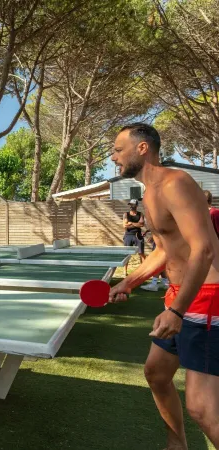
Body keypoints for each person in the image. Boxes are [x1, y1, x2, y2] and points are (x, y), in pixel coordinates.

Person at [109, 122, 219, 449]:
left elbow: (204, 249)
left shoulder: (176, 184)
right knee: (156, 374)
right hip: (180, 296)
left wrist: (176, 311)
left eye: (118, 149)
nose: (113, 156)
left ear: (142, 148)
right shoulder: (149, 194)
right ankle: (177, 444)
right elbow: (164, 250)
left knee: (202, 408)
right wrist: (129, 281)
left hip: (207, 300)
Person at [123, 198, 146, 276]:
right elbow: (124, 225)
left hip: (138, 235)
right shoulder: (126, 214)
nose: (131, 206)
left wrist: (131, 223)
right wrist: (136, 224)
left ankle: (143, 271)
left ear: (136, 205)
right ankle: (125, 271)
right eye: (130, 205)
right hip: (128, 235)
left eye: (132, 205)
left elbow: (142, 224)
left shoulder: (140, 214)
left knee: (141, 253)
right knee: (126, 254)